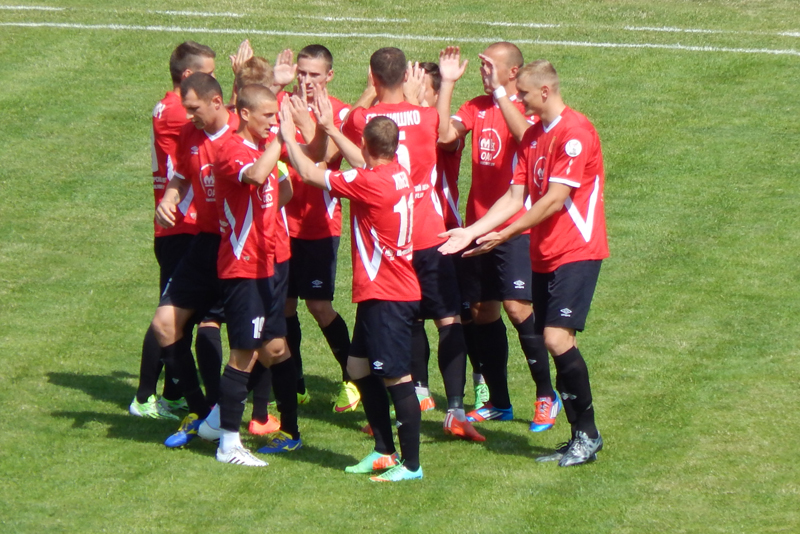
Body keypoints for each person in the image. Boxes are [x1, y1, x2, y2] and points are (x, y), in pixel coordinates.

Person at [439, 59, 608, 466]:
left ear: (545, 92)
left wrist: (507, 234)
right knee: (558, 342)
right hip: (544, 253)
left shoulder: (575, 133)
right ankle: (579, 436)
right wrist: (472, 230)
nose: (521, 101)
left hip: (577, 251)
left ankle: (587, 434)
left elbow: (553, 200)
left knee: (555, 339)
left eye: (526, 95)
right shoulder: (532, 137)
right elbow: (515, 197)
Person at [342, 47, 483, 442]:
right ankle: (455, 410)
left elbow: (351, 124)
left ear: (373, 77)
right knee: (448, 320)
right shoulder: (426, 117)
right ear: (407, 76)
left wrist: (370, 93)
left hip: (390, 243)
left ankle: (404, 400)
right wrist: (442, 87)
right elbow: (443, 131)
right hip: (429, 235)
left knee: (396, 321)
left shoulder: (363, 120)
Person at [284, 95, 424, 480]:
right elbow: (363, 163)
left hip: (388, 296)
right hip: (384, 292)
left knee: (397, 378)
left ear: (365, 144)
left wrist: (288, 137)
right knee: (357, 367)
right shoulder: (396, 173)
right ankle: (383, 450)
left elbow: (310, 174)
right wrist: (331, 129)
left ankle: (411, 465)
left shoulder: (368, 183)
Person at [437, 43, 560, 432]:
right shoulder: (476, 106)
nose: (483, 71)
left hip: (517, 225)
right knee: (482, 311)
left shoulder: (526, 108)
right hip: (478, 224)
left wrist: (502, 96)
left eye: (490, 66)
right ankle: (499, 402)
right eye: (482, 65)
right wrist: (447, 84)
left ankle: (546, 396)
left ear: (513, 72)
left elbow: (527, 139)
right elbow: (444, 137)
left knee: (517, 308)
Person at [130, 41, 221, 420]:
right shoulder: (175, 111)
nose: (214, 81)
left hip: (182, 225)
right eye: (209, 74)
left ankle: (172, 393)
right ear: (188, 76)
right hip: (181, 226)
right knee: (169, 313)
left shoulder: (168, 106)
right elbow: (219, 123)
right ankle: (144, 397)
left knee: (184, 314)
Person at [211, 84, 298, 466]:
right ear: (244, 114)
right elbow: (256, 176)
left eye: (276, 116)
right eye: (267, 116)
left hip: (267, 265)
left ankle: (221, 423)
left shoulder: (263, 147)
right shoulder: (231, 149)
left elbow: (283, 191)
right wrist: (281, 139)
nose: (272, 122)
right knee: (243, 354)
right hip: (242, 268)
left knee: (274, 348)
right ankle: (228, 444)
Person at [151, 72, 237, 448]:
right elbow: (182, 177)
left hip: (237, 245)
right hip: (204, 243)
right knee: (164, 324)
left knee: (265, 345)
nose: (188, 116)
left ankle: (269, 416)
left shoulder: (242, 131)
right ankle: (202, 412)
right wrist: (169, 199)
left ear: (216, 102)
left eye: (194, 108)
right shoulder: (190, 134)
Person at [282, 44, 358, 414]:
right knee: (283, 306)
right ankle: (295, 384)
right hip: (281, 223)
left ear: (329, 76)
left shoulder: (339, 112)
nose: (306, 80)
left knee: (319, 306)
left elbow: (327, 158)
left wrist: (305, 122)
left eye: (314, 74)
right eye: (301, 73)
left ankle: (353, 379)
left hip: (319, 225)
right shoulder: (280, 104)